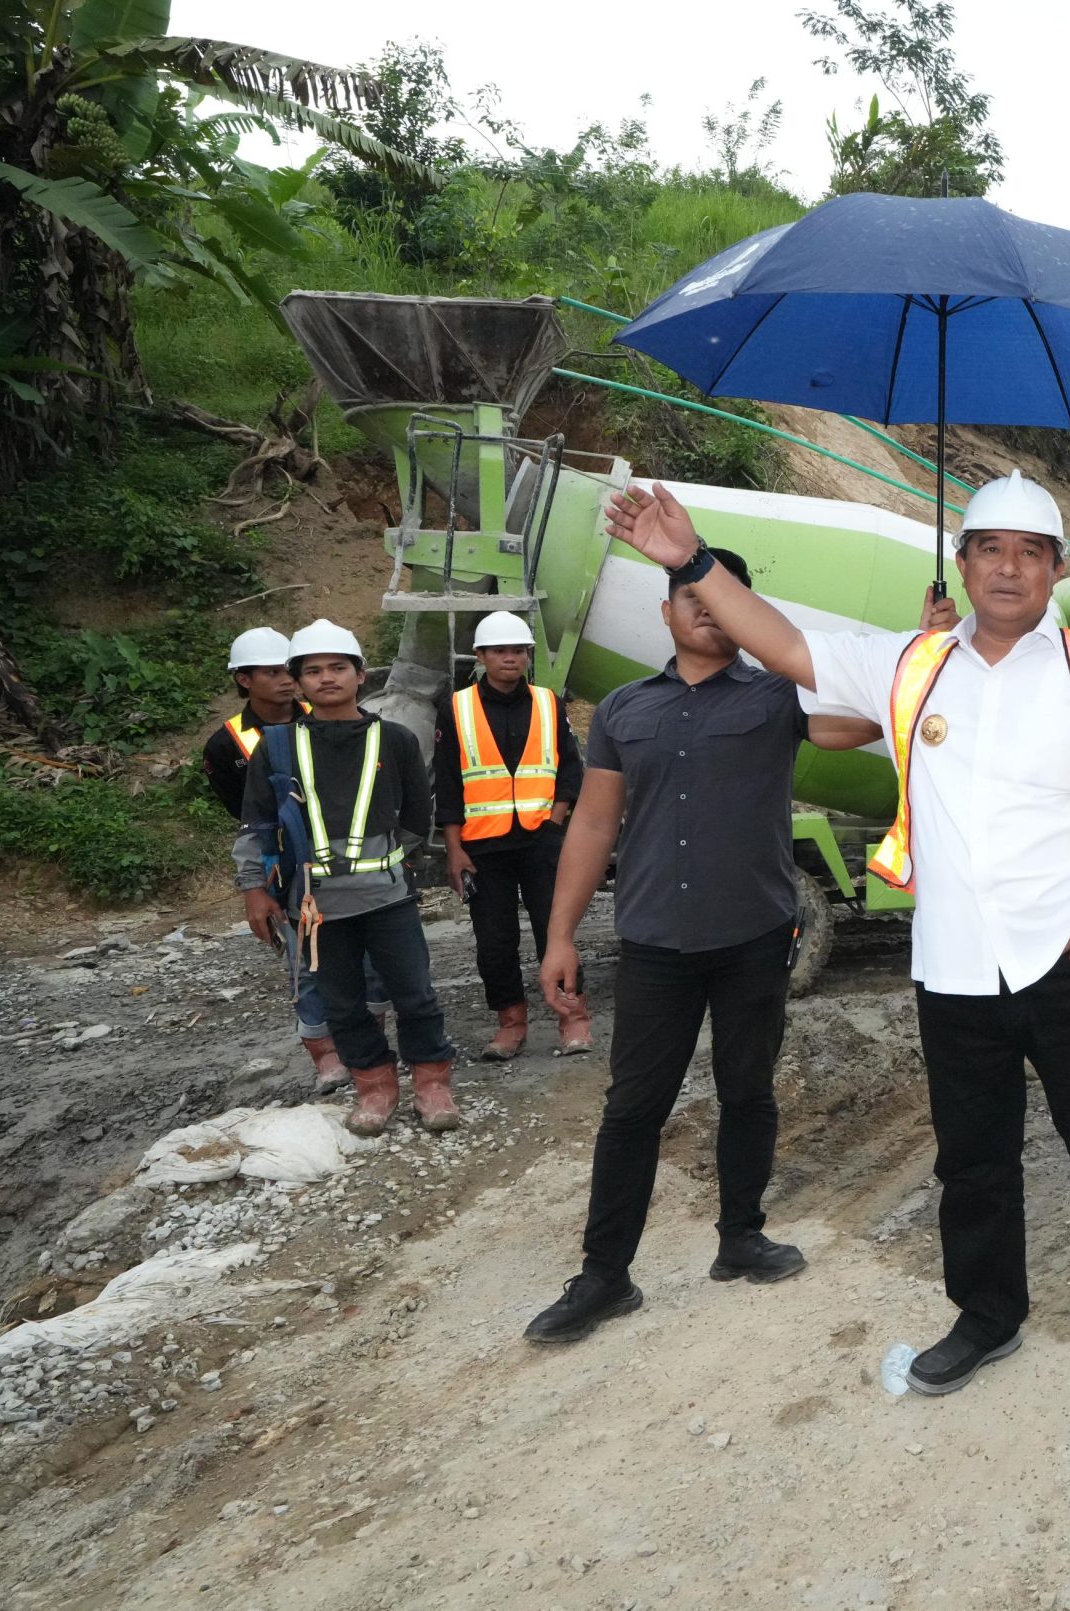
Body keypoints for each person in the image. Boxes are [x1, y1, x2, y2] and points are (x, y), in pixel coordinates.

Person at [598, 472, 1070, 1407]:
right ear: (963, 562)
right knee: (971, 1159)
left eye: (1029, 551)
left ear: (1055, 570)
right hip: (954, 964)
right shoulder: (911, 663)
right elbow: (784, 642)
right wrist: (693, 561)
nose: (1008, 567)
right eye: (989, 547)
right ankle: (987, 1315)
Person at [522, 547, 882, 1345]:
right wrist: (558, 934)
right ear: (668, 611)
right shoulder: (621, 710)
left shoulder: (778, 696)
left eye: (725, 598)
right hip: (654, 943)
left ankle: (740, 1236)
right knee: (632, 1110)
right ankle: (605, 1275)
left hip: (753, 937)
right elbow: (592, 823)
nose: (708, 611)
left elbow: (861, 723)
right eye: (692, 598)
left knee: (747, 1090)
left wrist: (918, 664)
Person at [234, 620, 458, 1137]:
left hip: (387, 898)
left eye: (338, 668)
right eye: (312, 671)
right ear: (298, 682)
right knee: (341, 1000)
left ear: (361, 676)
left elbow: (415, 816)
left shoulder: (395, 739)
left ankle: (432, 1083)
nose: (326, 678)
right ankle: (374, 1087)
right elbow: (258, 824)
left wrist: (386, 860)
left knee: (414, 992)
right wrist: (254, 891)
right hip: (316, 906)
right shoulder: (278, 747)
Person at [436, 610, 591, 1061]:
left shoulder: (548, 702)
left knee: (555, 931)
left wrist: (556, 820)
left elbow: (569, 766)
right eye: (500, 651)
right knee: (495, 941)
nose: (510, 658)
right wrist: (454, 849)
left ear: (528, 654)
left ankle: (573, 1017)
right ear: (481, 656)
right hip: (483, 847)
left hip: (541, 841)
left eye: (518, 650)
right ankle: (510, 1022)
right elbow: (447, 782)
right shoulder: (458, 707)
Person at [204, 627, 346, 1095]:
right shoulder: (227, 746)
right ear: (244, 680)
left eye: (289, 671)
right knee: (307, 963)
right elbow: (247, 820)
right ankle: (325, 1056)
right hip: (282, 865)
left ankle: (364, 1046)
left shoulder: (329, 717)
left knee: (363, 959)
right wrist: (256, 887)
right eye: (271, 673)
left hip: (341, 855)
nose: (285, 681)